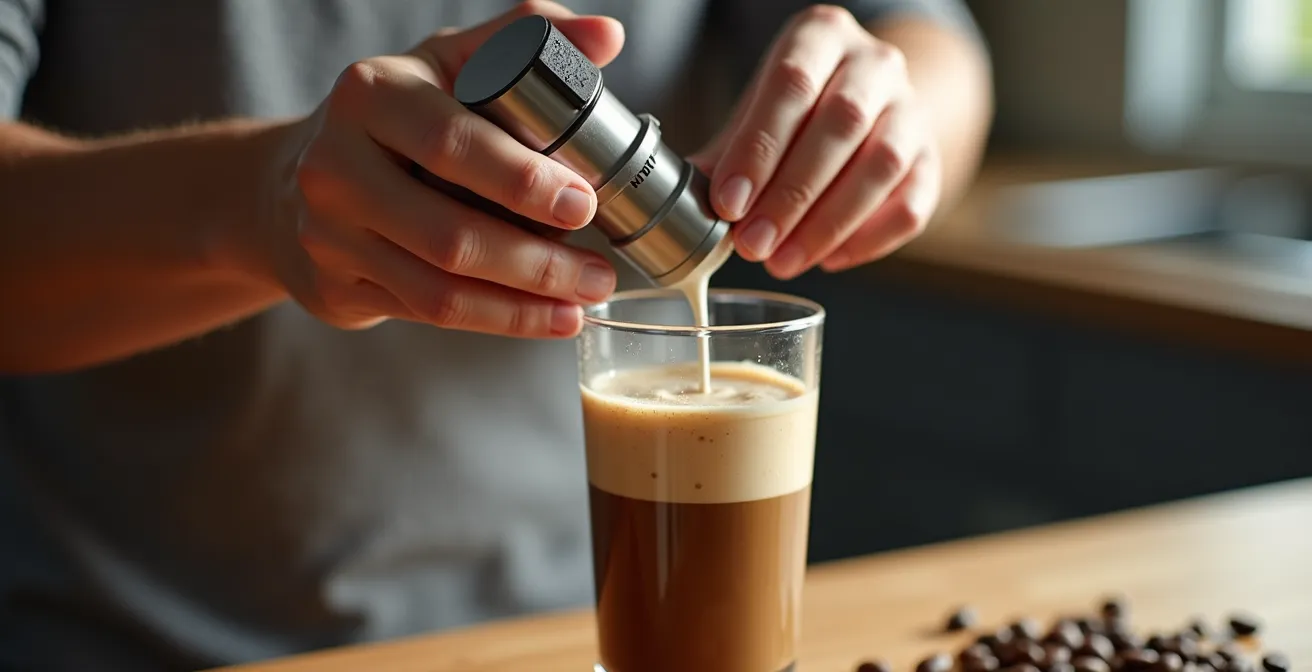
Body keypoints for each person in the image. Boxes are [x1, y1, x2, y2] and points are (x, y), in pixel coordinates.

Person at [0, 0, 992, 669]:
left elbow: (939, 51)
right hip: (145, 640)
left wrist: (890, 119)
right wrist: (255, 202)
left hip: (557, 632)